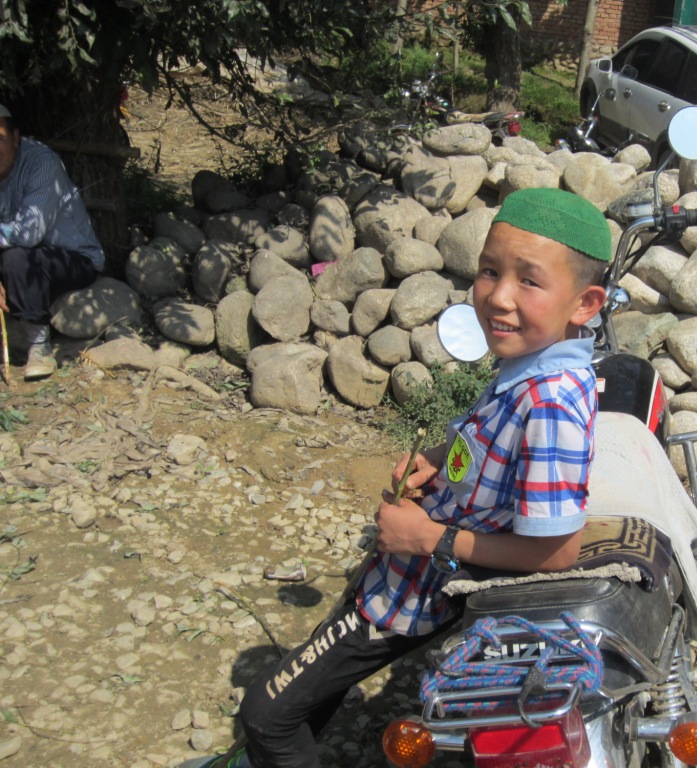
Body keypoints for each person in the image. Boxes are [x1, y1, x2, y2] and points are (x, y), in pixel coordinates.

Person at [189, 187, 610, 768]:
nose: (498, 297)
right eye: (489, 271)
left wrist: (425, 539)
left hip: (417, 591)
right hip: (405, 568)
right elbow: (492, 450)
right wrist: (439, 457)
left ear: (585, 303)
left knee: (265, 712)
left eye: (529, 281)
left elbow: (559, 550)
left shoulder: (552, 403)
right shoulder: (527, 365)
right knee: (312, 680)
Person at [0, 103, 105, 380]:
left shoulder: (41, 163)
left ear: (14, 137)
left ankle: (38, 346)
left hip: (72, 259)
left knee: (16, 258)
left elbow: (27, 234)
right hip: (17, 255)